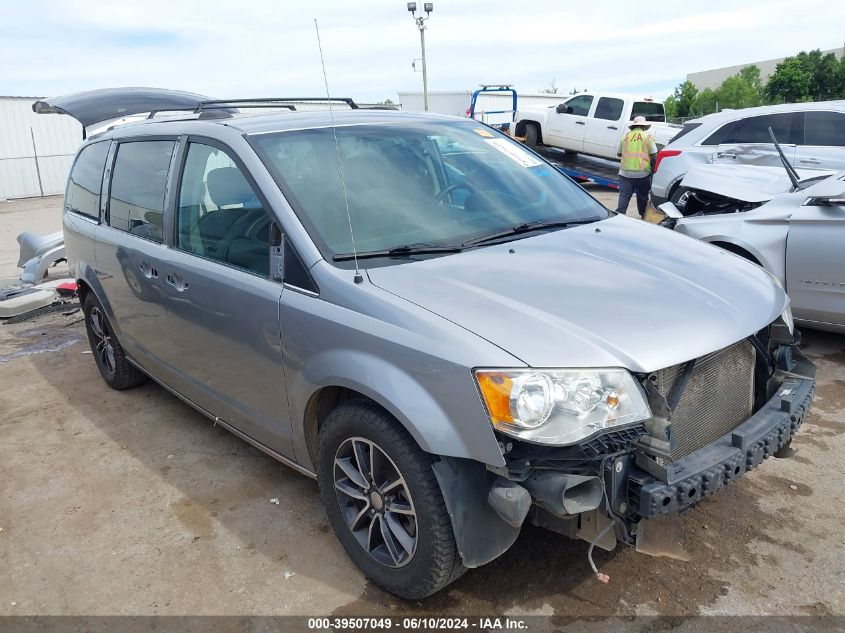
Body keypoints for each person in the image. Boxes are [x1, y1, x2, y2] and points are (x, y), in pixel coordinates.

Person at [615, 115, 658, 218]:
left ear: (634, 126)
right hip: (642, 173)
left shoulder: (625, 137)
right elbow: (654, 154)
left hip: (624, 173)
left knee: (624, 196)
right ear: (643, 127)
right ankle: (643, 216)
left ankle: (620, 216)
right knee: (642, 197)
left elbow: (619, 154)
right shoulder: (647, 137)